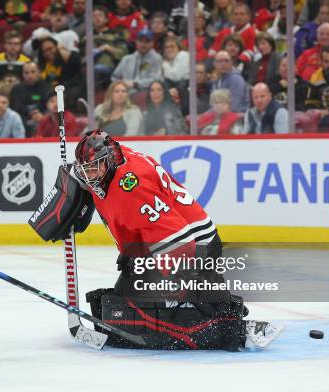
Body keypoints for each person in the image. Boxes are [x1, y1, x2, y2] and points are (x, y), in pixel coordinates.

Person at [30, 130, 283, 350]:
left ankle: (228, 327)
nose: (89, 175)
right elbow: (88, 171)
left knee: (160, 312)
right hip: (162, 242)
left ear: (109, 161)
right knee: (124, 302)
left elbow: (179, 243)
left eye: (94, 168)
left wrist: (176, 290)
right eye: (86, 169)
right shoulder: (114, 157)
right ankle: (215, 308)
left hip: (193, 248)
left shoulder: (130, 188)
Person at [111, 28, 163, 94]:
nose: (143, 44)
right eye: (140, 41)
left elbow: (157, 80)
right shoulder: (126, 59)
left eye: (147, 41)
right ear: (136, 42)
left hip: (146, 94)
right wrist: (121, 84)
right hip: (125, 93)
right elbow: (114, 77)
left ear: (152, 43)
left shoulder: (156, 58)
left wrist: (135, 84)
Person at [9, 61, 51, 136]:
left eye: (33, 72)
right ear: (22, 74)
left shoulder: (46, 87)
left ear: (39, 72)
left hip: (42, 119)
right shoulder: (16, 89)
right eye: (26, 73)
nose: (30, 75)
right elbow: (14, 109)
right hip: (22, 121)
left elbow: (50, 106)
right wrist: (30, 115)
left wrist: (42, 115)